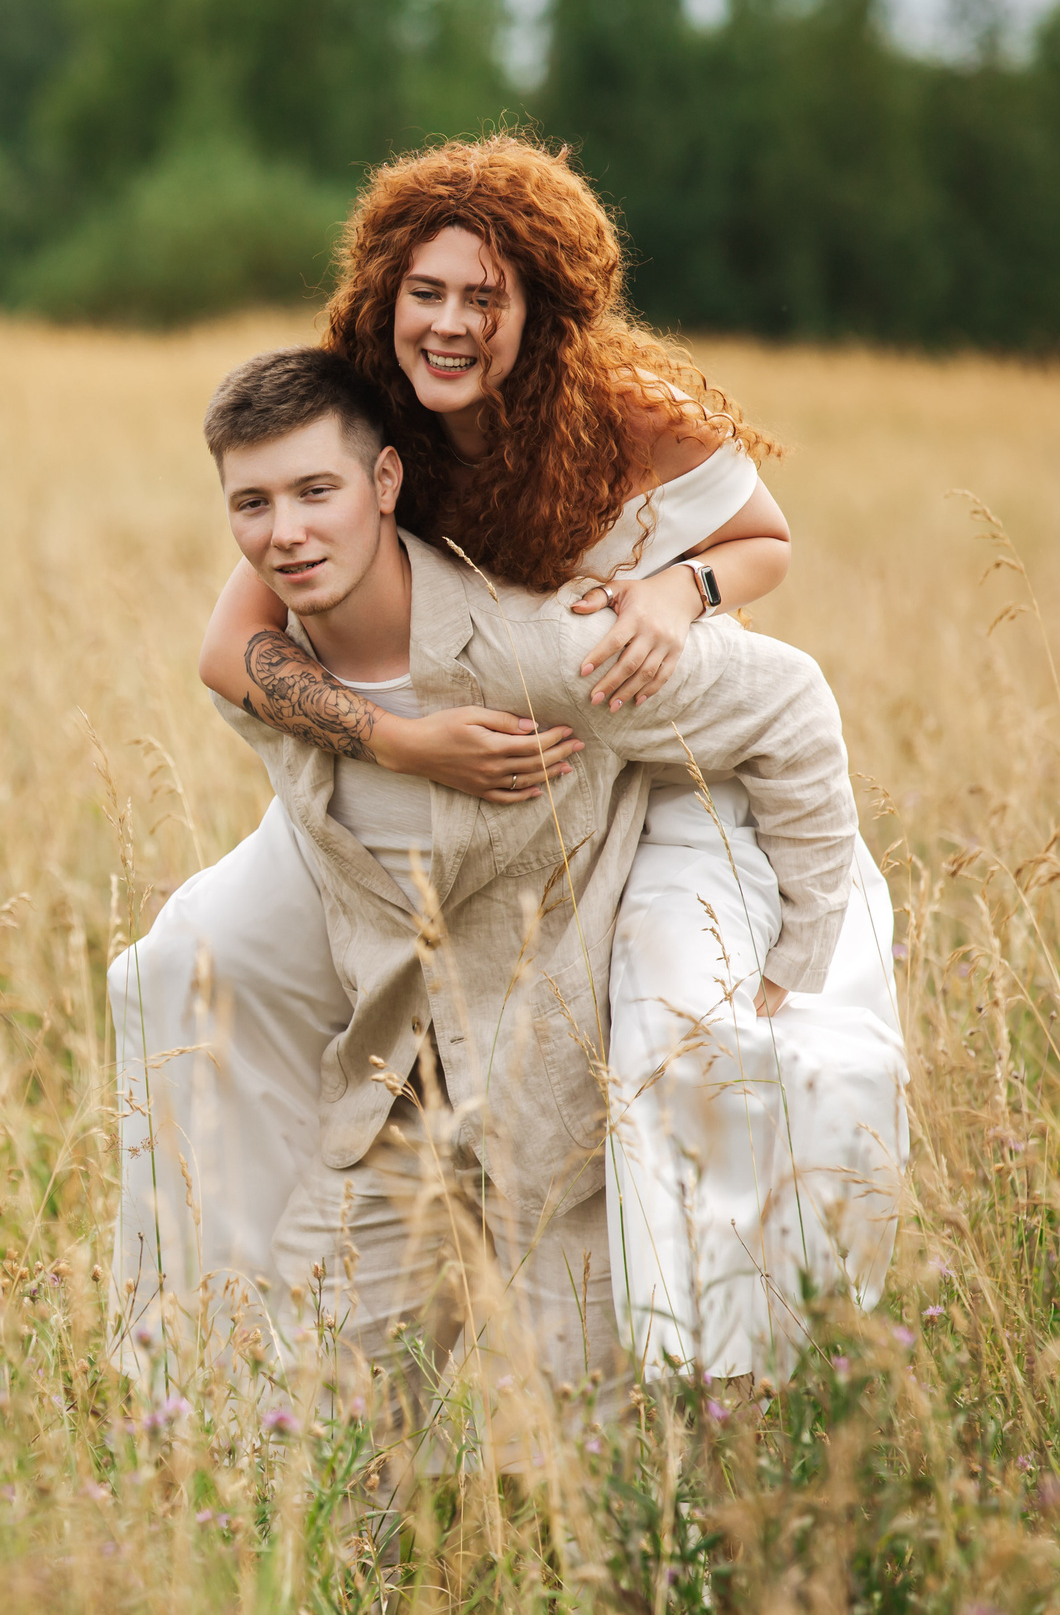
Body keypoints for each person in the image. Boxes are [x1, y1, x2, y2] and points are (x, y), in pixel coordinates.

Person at [111, 134, 905, 1392]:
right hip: (436, 721)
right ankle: (210, 1329)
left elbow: (763, 543)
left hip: (622, 704)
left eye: (485, 296)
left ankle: (712, 1355)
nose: (450, 321)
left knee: (666, 1027)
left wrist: (676, 594)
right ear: (386, 291)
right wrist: (400, 738)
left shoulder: (626, 409)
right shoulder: (367, 409)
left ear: (541, 305)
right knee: (185, 956)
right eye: (427, 289)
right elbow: (232, 647)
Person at [155, 345, 860, 1477]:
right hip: (392, 1110)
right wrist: (397, 739)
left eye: (313, 492)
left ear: (387, 483)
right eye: (252, 503)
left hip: (552, 1126)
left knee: (602, 1484)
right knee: (312, 1463)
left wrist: (804, 941)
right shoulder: (281, 691)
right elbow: (225, 661)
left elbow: (789, 704)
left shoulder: (549, 652)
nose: (283, 532)